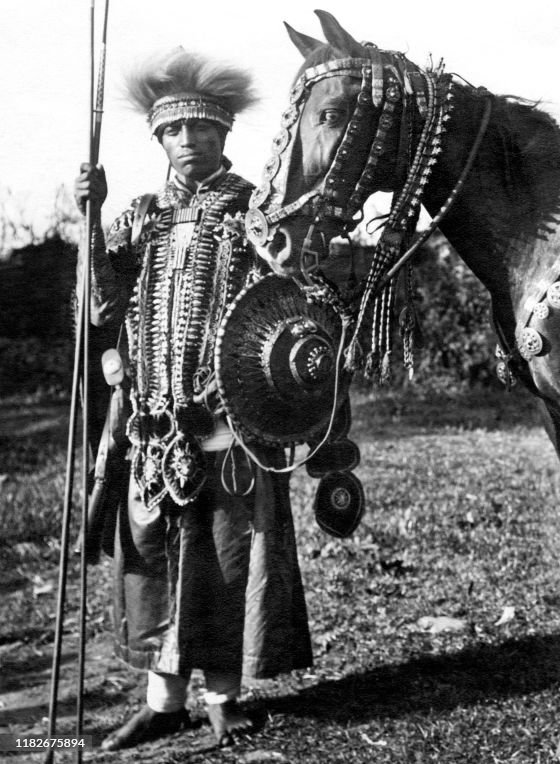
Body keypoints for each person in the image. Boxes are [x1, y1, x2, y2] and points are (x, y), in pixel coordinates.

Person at [74, 48, 313, 751]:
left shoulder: (252, 210)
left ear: (223, 136)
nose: (189, 142)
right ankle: (162, 700)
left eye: (202, 130)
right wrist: (90, 217)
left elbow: (295, 289)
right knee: (150, 559)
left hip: (226, 422)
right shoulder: (141, 219)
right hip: (152, 425)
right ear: (159, 140)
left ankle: (224, 698)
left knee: (225, 557)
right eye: (175, 132)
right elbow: (97, 308)